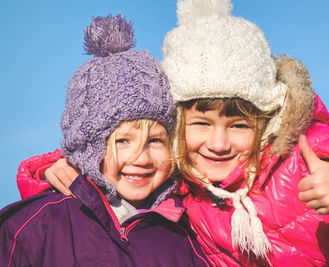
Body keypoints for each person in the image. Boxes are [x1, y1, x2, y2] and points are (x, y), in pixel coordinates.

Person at [14, 1, 329, 266]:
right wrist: (58, 165)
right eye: (201, 124)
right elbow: (124, 170)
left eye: (238, 126)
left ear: (264, 123)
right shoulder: (187, 189)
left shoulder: (298, 153)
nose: (218, 144)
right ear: (179, 126)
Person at [0, 14, 209, 267]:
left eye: (155, 140)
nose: (141, 158)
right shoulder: (35, 226)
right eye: (122, 141)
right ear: (90, 149)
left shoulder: (183, 238)